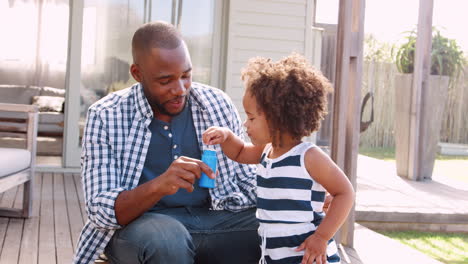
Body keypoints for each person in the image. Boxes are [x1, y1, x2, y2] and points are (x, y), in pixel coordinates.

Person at [73, 21, 261, 264]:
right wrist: (160, 185)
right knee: (166, 239)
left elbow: (246, 180)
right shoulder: (106, 115)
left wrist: (304, 196)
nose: (180, 89)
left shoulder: (216, 103)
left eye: (186, 76)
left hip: (216, 221)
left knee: (294, 221)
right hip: (144, 230)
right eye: (165, 81)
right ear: (137, 74)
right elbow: (100, 211)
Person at [202, 53, 355, 264]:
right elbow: (238, 152)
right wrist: (226, 136)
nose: (246, 125)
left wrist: (322, 237)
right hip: (274, 255)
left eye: (251, 117)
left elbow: (345, 193)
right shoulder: (266, 151)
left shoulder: (308, 156)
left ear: (277, 118)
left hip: (307, 256)